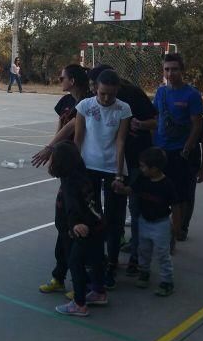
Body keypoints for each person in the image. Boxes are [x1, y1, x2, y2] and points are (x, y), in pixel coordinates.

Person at [85, 65, 159, 277]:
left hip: (134, 160)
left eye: (95, 86)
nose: (100, 94)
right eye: (97, 90)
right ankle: (103, 255)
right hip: (105, 163)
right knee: (98, 211)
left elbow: (155, 121)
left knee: (134, 210)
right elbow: (79, 125)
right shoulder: (91, 101)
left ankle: (135, 256)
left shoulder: (132, 96)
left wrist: (141, 124)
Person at [34, 64, 93, 298]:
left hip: (82, 168)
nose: (60, 80)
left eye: (63, 77)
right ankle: (59, 276)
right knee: (63, 224)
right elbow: (62, 125)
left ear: (74, 80)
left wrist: (54, 152)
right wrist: (56, 157)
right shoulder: (65, 103)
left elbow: (76, 131)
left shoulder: (89, 101)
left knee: (77, 223)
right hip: (67, 166)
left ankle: (83, 280)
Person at [74, 69, 131, 290]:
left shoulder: (123, 109)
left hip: (112, 168)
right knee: (92, 217)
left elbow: (120, 142)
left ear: (117, 91)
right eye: (102, 94)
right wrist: (76, 171)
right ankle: (95, 260)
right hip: (88, 167)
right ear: (95, 89)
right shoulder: (85, 106)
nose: (106, 98)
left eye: (111, 94)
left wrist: (118, 174)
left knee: (114, 220)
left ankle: (112, 263)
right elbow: (78, 139)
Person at [152, 53, 203, 252]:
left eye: (174, 69)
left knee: (180, 197)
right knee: (162, 195)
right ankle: (168, 233)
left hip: (181, 153)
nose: (170, 73)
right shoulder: (161, 92)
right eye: (166, 69)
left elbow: (197, 126)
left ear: (182, 70)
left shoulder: (191, 95)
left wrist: (186, 149)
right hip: (162, 151)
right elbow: (155, 117)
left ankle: (175, 235)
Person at [112, 147, 178, 296]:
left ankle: (167, 281)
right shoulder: (142, 179)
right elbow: (131, 190)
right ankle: (144, 272)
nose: (141, 169)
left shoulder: (167, 185)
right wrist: (120, 189)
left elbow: (175, 206)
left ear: (154, 168)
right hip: (144, 221)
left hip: (161, 223)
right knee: (144, 250)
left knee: (163, 253)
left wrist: (176, 227)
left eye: (143, 166)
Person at [51, 141, 106, 317]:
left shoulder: (69, 182)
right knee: (96, 259)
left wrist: (75, 225)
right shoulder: (83, 174)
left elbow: (72, 206)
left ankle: (79, 304)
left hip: (83, 228)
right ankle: (98, 291)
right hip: (97, 223)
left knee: (75, 263)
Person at [181, 113, 203, 241]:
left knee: (188, 195)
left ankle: (183, 227)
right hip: (172, 159)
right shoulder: (174, 115)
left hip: (191, 162)